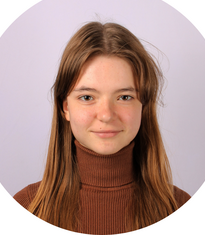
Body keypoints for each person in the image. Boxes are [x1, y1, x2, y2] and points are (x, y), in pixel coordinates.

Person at [14, 21, 190, 234]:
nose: (106, 115)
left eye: (124, 97)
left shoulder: (181, 209)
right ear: (65, 107)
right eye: (87, 97)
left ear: (143, 106)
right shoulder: (26, 208)